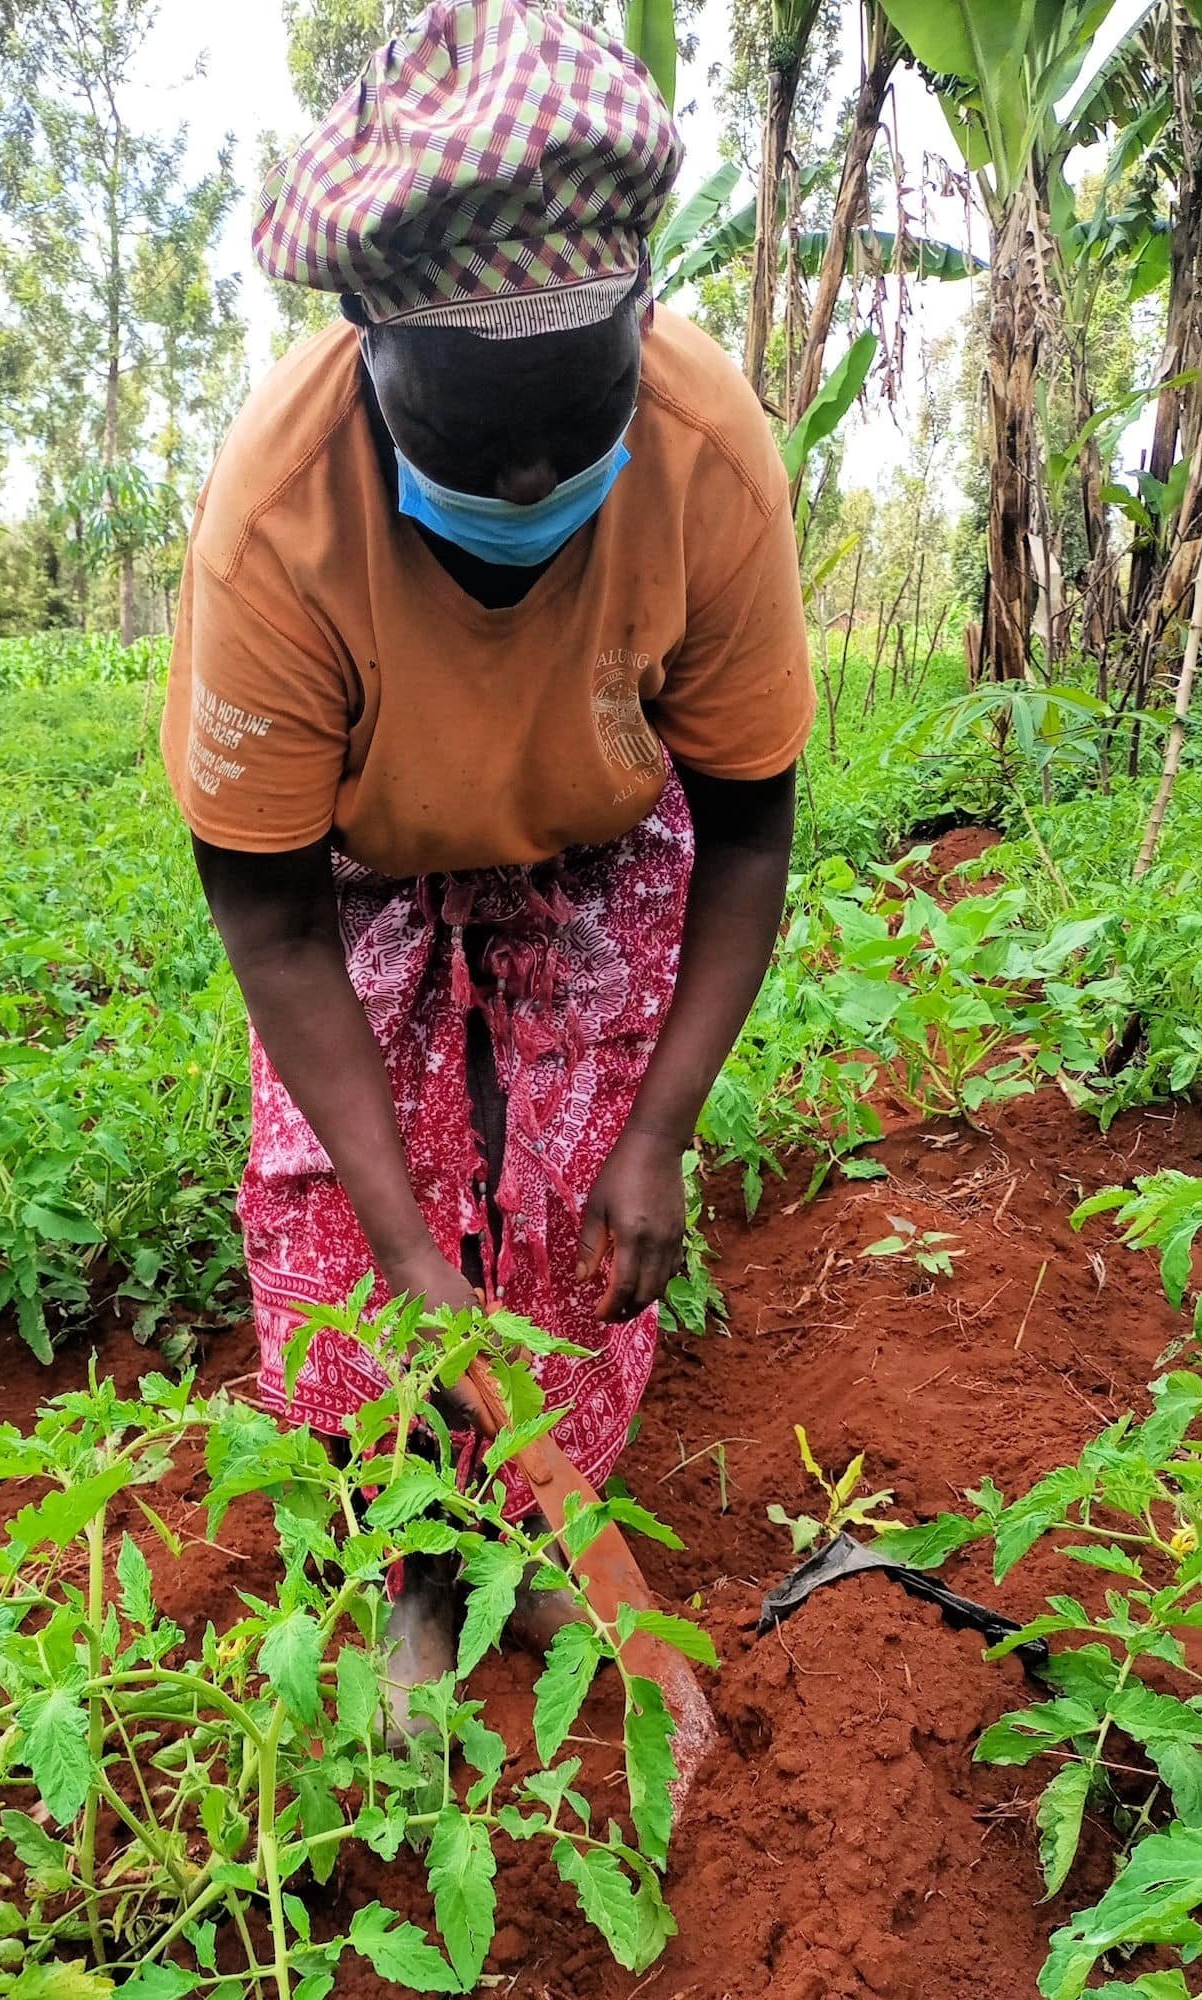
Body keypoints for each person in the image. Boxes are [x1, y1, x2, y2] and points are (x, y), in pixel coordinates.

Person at [162, 0, 813, 1689]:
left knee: (568, 1223)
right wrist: (401, 1246)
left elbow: (748, 833)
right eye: (472, 423)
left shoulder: (708, 460)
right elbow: (273, 912)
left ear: (642, 323)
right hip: (356, 875)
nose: (529, 471)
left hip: (597, 845)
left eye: (573, 413)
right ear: (370, 351)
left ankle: (532, 1539)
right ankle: (413, 1565)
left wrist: (660, 1131)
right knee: (352, 1230)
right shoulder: (279, 520)